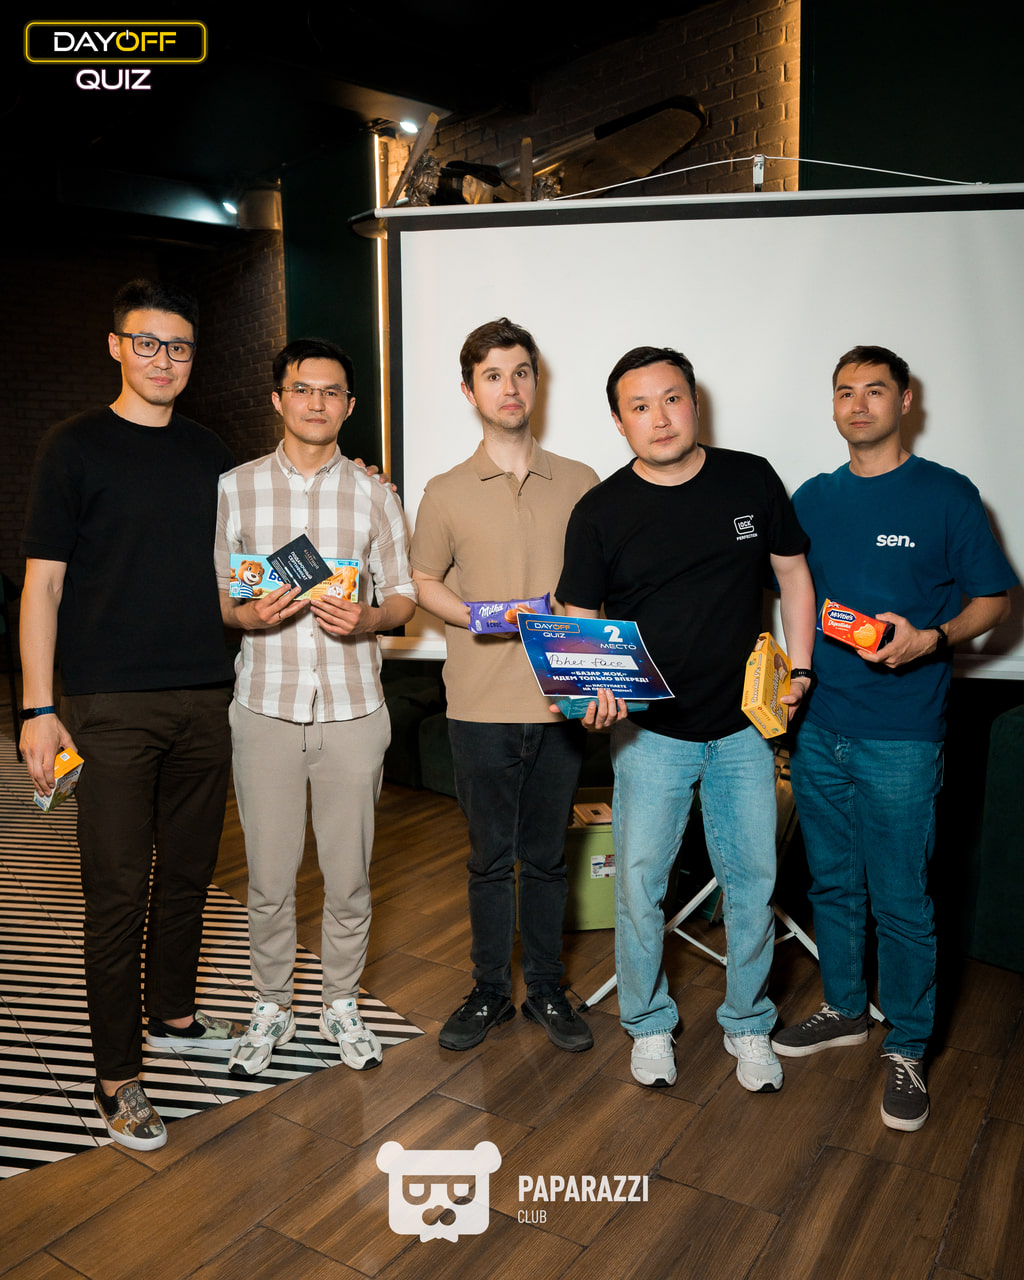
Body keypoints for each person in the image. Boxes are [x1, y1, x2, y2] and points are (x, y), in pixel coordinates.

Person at [20, 279, 244, 1151]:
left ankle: (174, 1016)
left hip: (206, 695)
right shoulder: (72, 447)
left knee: (188, 875)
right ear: (115, 345)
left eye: (179, 347)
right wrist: (38, 708)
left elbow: (241, 565)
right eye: (147, 343)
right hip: (107, 705)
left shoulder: (210, 454)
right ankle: (116, 1074)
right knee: (117, 892)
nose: (164, 360)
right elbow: (43, 586)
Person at [557, 345, 816, 1093]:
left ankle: (749, 1022)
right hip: (650, 736)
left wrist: (802, 668)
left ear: (694, 404)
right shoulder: (600, 511)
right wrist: (592, 690)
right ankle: (647, 1023)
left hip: (743, 728)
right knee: (640, 888)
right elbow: (580, 616)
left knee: (753, 884)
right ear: (620, 422)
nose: (660, 417)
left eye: (672, 399)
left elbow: (793, 572)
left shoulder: (751, 478)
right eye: (640, 406)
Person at [772, 344, 1016, 1132]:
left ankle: (908, 1046)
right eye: (845, 391)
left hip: (903, 737)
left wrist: (931, 638)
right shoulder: (811, 498)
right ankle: (846, 1008)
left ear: (905, 401)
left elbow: (995, 599)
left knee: (903, 899)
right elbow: (788, 593)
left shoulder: (946, 495)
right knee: (833, 886)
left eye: (875, 390)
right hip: (820, 728)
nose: (858, 404)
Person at [216, 338, 416, 1077]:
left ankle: (340, 1002)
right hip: (264, 708)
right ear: (278, 398)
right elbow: (223, 597)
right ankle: (271, 1003)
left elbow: (404, 595)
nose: (316, 402)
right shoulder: (234, 488)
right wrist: (247, 615)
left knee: (349, 876)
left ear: (349, 406)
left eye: (332, 391)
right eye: (302, 389)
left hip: (354, 711)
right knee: (268, 882)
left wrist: (370, 619)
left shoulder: (376, 493)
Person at [410, 318, 598, 1053]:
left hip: (559, 702)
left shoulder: (582, 481)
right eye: (492, 375)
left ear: (536, 383)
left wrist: (590, 676)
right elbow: (423, 580)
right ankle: (489, 989)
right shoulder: (445, 491)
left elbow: (595, 591)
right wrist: (481, 617)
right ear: (470, 391)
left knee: (547, 859)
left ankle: (547, 988)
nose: (509, 386)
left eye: (520, 372)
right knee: (489, 860)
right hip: (479, 705)